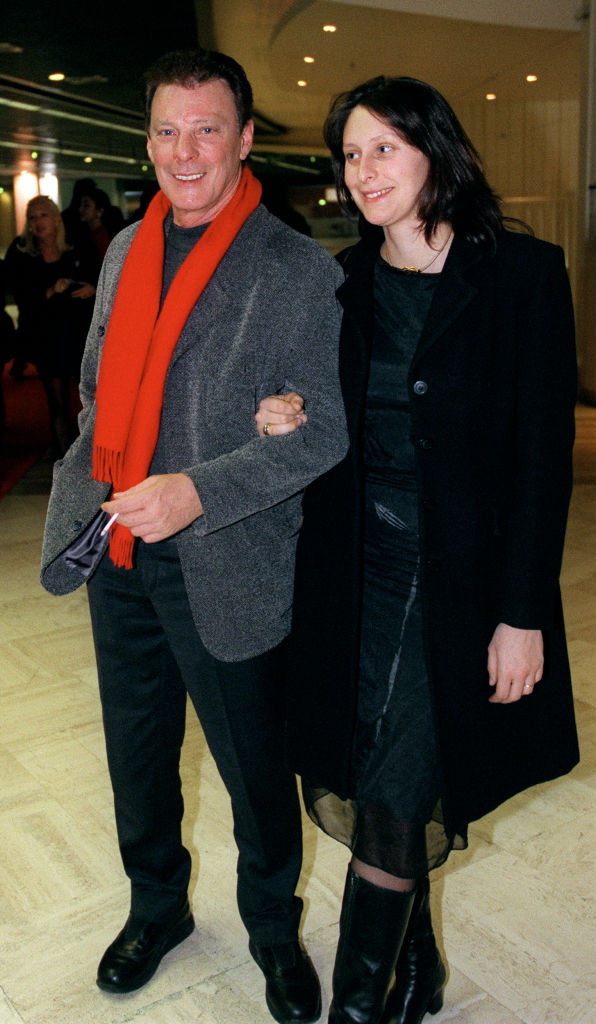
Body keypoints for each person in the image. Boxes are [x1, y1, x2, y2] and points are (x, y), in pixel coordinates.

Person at [256, 76, 579, 1024]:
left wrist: (521, 614)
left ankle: (358, 1005)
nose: (363, 172)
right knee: (375, 782)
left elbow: (539, 461)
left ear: (435, 150)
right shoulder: (340, 283)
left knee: (397, 788)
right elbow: (318, 412)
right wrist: (289, 413)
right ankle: (419, 972)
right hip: (353, 580)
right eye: (350, 155)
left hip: (460, 588)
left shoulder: (523, 276)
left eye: (383, 149)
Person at [40, 48, 347, 1024]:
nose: (185, 150)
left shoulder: (295, 269)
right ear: (148, 141)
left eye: (206, 128)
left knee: (256, 771)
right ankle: (157, 908)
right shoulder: (127, 248)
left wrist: (198, 490)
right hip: (117, 548)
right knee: (138, 753)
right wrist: (108, 476)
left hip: (228, 557)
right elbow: (96, 381)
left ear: (245, 138)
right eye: (167, 130)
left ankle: (270, 932)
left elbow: (329, 428)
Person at [5, 195, 97, 454]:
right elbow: (21, 295)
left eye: (43, 215)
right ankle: (64, 461)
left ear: (57, 219)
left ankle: (94, 458)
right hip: (46, 338)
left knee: (90, 401)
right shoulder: (21, 252)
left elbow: (99, 274)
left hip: (79, 335)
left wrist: (91, 287)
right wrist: (49, 291)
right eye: (32, 217)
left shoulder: (76, 245)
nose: (37, 222)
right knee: (57, 403)